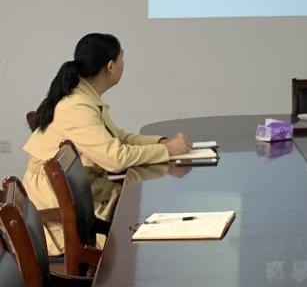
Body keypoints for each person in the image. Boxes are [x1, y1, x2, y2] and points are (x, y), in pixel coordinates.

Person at [23, 33, 192, 253]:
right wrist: (167, 150)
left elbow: (118, 138)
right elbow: (115, 158)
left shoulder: (84, 97)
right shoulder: (77, 106)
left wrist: (162, 143)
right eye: (122, 59)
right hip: (62, 214)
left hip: (78, 197)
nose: (124, 65)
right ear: (110, 66)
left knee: (153, 207)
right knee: (152, 214)